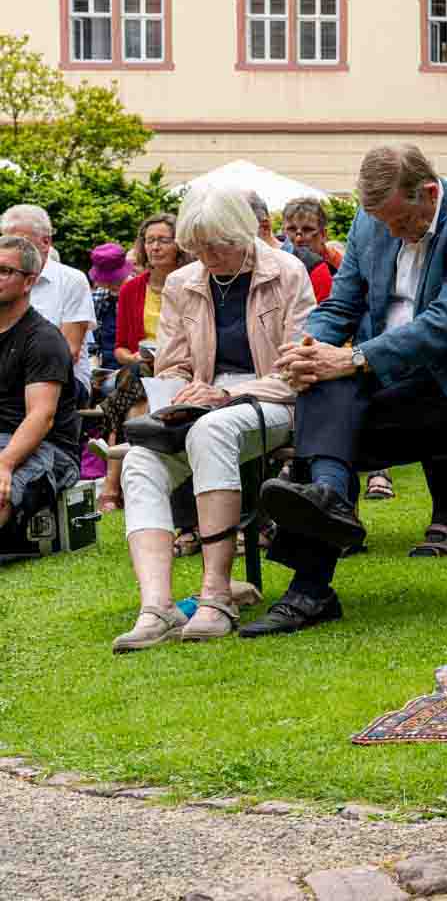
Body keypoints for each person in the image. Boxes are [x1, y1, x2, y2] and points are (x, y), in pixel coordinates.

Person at [254, 143, 447, 636]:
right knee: (324, 392)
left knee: (327, 426)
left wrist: (350, 358)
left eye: (399, 222)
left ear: (428, 192)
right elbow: (341, 304)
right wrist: (307, 349)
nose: (390, 232)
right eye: (383, 223)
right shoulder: (371, 222)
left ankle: (311, 582)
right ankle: (329, 500)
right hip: (387, 380)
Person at [111, 185, 315, 650]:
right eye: (198, 248)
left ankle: (216, 594)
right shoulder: (184, 282)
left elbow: (298, 369)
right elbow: (172, 364)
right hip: (202, 405)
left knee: (211, 430)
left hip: (273, 399)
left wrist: (225, 392)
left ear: (243, 233)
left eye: (218, 246)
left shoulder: (287, 272)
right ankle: (156, 606)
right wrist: (182, 388)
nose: (208, 257)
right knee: (141, 460)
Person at [94, 213, 191, 514]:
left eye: (163, 240)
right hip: (136, 366)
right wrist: (137, 357)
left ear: (179, 245)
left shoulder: (192, 282)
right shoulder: (132, 288)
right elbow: (120, 348)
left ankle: (112, 482)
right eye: (149, 241)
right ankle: (127, 475)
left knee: (138, 386)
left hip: (182, 366)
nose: (155, 247)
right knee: (138, 375)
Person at [0, 235, 81, 547]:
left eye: (5, 271)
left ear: (29, 282)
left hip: (44, 448)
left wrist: (5, 464)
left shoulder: (43, 339)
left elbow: (42, 416)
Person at [0, 205, 95, 404]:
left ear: (46, 242)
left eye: (21, 242)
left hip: (62, 379)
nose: (11, 249)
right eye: (6, 241)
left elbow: (70, 351)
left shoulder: (72, 280)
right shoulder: (4, 280)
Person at [88, 242, 133, 376]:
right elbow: (92, 339)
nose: (110, 284)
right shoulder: (97, 297)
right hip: (104, 369)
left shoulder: (139, 294)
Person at [282, 197, 342, 272]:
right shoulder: (277, 262)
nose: (298, 239)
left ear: (323, 234)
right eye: (292, 229)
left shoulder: (339, 266)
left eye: (307, 230)